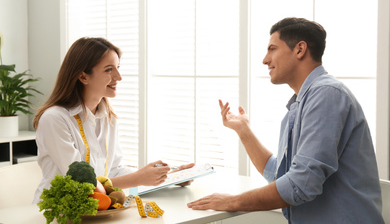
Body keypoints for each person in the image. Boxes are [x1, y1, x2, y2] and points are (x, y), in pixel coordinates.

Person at [187, 17, 384, 223]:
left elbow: (300, 185)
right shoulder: (299, 105)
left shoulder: (326, 94)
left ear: (300, 50)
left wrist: (233, 202)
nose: (265, 59)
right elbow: (282, 177)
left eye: (272, 49)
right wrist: (243, 130)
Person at [32, 37, 194, 203]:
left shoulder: (109, 118)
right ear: (83, 76)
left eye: (117, 68)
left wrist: (167, 176)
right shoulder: (54, 119)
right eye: (109, 70)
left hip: (97, 211)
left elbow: (113, 171)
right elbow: (82, 184)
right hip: (55, 213)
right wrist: (139, 178)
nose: (119, 77)